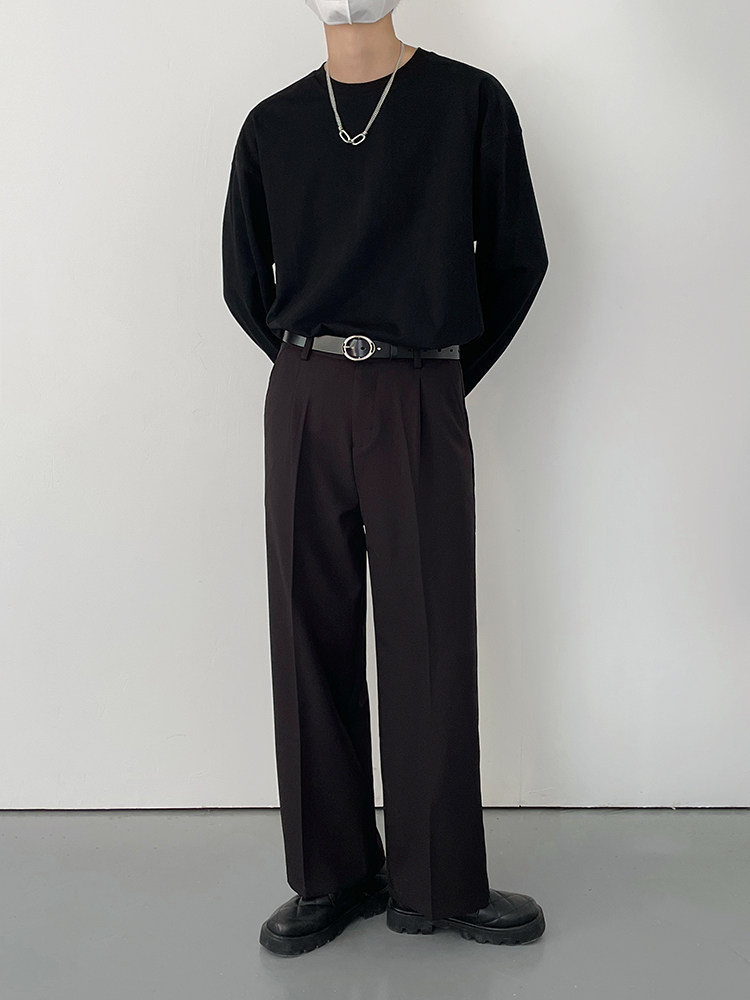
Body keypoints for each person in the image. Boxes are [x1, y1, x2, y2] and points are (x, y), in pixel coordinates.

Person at [222, 0, 549, 957]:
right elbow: (244, 281)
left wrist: (437, 374)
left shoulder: (468, 103)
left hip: (420, 384)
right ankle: (331, 875)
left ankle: (437, 881)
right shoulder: (272, 125)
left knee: (429, 633)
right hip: (307, 389)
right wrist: (318, 372)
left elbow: (519, 259)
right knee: (307, 631)